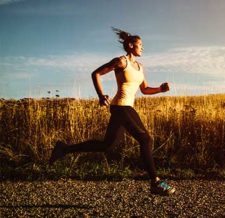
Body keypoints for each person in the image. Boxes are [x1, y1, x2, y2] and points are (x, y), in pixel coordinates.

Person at [49, 27, 175, 195]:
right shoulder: (121, 61)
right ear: (130, 45)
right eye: (140, 44)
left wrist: (160, 89)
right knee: (145, 140)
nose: (142, 48)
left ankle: (64, 149)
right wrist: (101, 95)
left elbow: (144, 89)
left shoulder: (140, 66)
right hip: (120, 107)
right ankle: (155, 182)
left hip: (126, 107)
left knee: (107, 145)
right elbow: (96, 74)